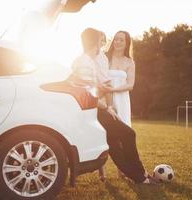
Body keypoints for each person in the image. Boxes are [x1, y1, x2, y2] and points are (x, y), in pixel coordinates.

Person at [70, 28, 157, 184]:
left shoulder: (90, 61)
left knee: (115, 142)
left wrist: (106, 96)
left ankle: (139, 175)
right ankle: (140, 175)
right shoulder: (85, 62)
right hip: (93, 108)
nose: (103, 44)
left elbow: (96, 86)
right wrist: (107, 107)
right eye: (100, 41)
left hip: (101, 105)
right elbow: (87, 92)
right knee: (127, 135)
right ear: (94, 43)